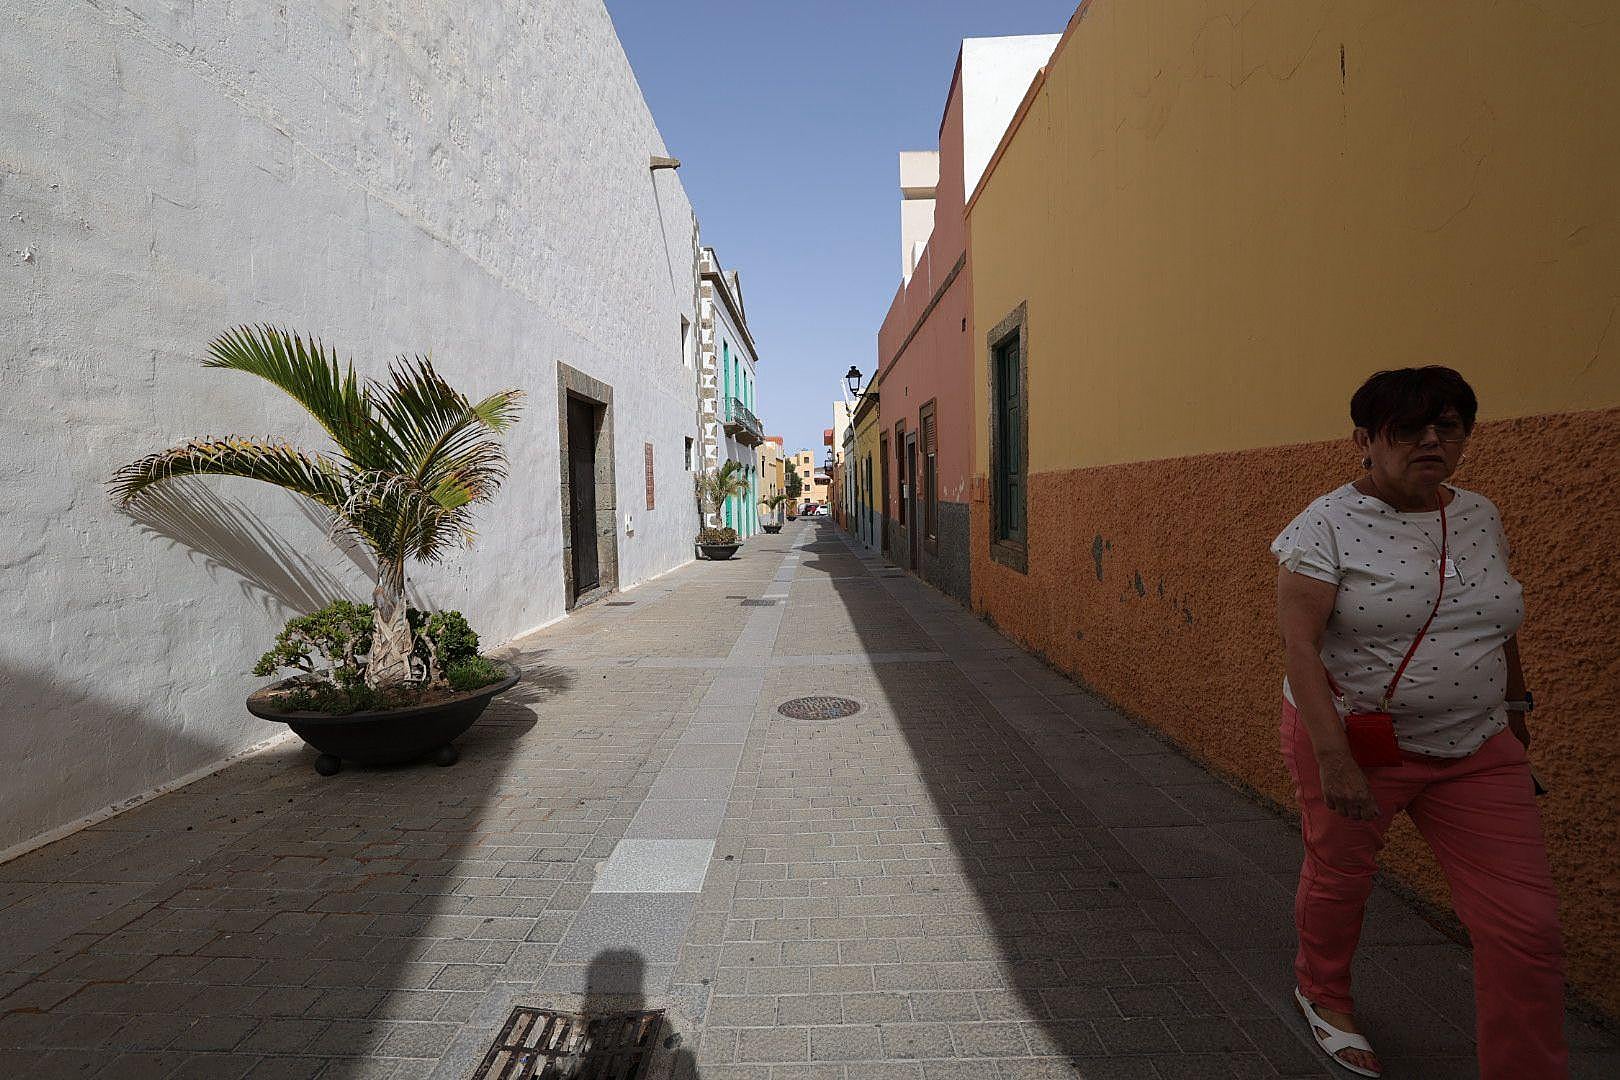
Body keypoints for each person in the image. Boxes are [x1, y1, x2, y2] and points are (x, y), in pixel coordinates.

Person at [1271, 367, 1565, 1078]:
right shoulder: (1325, 525)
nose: (1431, 440)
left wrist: (1516, 713)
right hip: (1357, 742)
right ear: (1364, 441)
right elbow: (1300, 647)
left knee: (1527, 926)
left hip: (1478, 745)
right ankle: (1323, 992)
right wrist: (1333, 758)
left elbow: (1496, 620)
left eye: (1448, 426)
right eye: (1407, 429)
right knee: (1342, 876)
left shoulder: (1480, 515)